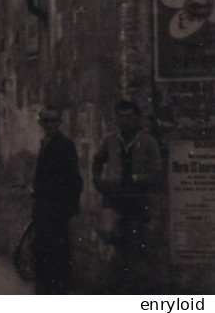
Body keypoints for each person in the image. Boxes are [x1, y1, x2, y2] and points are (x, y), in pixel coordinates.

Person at [91, 98, 166, 292]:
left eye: (129, 117)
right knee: (109, 244)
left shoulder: (148, 143)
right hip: (114, 201)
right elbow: (97, 161)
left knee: (134, 250)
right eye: (121, 117)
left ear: (138, 119)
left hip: (137, 203)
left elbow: (157, 174)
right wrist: (99, 182)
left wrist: (136, 178)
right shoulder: (110, 141)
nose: (124, 121)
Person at [29, 106, 81, 294]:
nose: (49, 124)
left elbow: (75, 180)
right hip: (44, 211)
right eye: (46, 121)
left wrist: (67, 209)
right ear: (40, 122)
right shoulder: (47, 143)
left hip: (56, 214)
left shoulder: (64, 146)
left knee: (55, 260)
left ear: (59, 123)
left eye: (53, 121)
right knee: (43, 257)